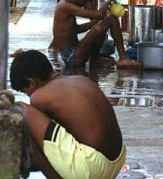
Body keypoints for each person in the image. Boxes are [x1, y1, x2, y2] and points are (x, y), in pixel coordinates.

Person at [10, 50, 126, 179]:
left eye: (26, 92)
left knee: (20, 110)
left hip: (92, 169)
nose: (29, 96)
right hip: (117, 160)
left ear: (31, 82)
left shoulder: (39, 96)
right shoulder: (81, 80)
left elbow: (36, 142)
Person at [53, 0, 140, 69]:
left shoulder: (65, 4)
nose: (84, 4)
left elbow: (76, 29)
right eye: (85, 0)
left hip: (76, 52)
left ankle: (96, 59)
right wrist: (107, 4)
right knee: (108, 21)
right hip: (71, 57)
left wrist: (95, 22)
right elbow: (100, 15)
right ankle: (123, 58)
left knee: (102, 25)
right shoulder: (65, 6)